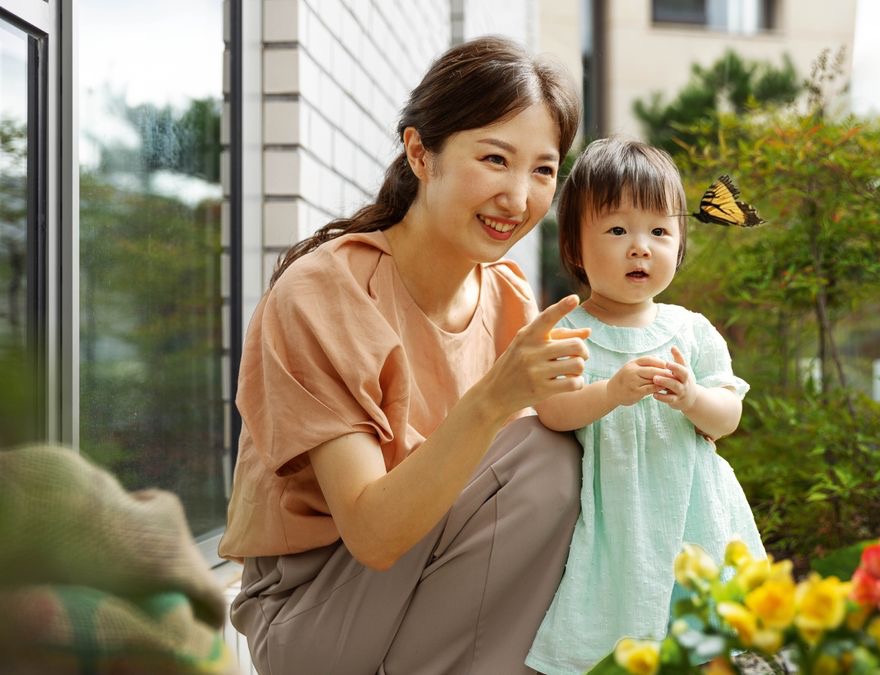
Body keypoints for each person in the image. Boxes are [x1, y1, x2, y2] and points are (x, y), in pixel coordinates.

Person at [218, 36, 587, 675]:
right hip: (312, 615)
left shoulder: (507, 298)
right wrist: (495, 398)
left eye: (543, 169)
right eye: (495, 159)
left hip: (425, 596)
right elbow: (373, 534)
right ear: (421, 152)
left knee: (581, 446)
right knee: (547, 454)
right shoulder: (325, 292)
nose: (519, 197)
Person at [524, 138, 766, 674]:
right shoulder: (567, 330)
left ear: (679, 246)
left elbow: (727, 418)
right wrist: (610, 392)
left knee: (705, 630)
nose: (641, 247)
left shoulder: (690, 330)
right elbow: (553, 412)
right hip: (618, 514)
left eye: (659, 232)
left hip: (695, 507)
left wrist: (692, 397)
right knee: (622, 630)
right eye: (617, 230)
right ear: (574, 246)